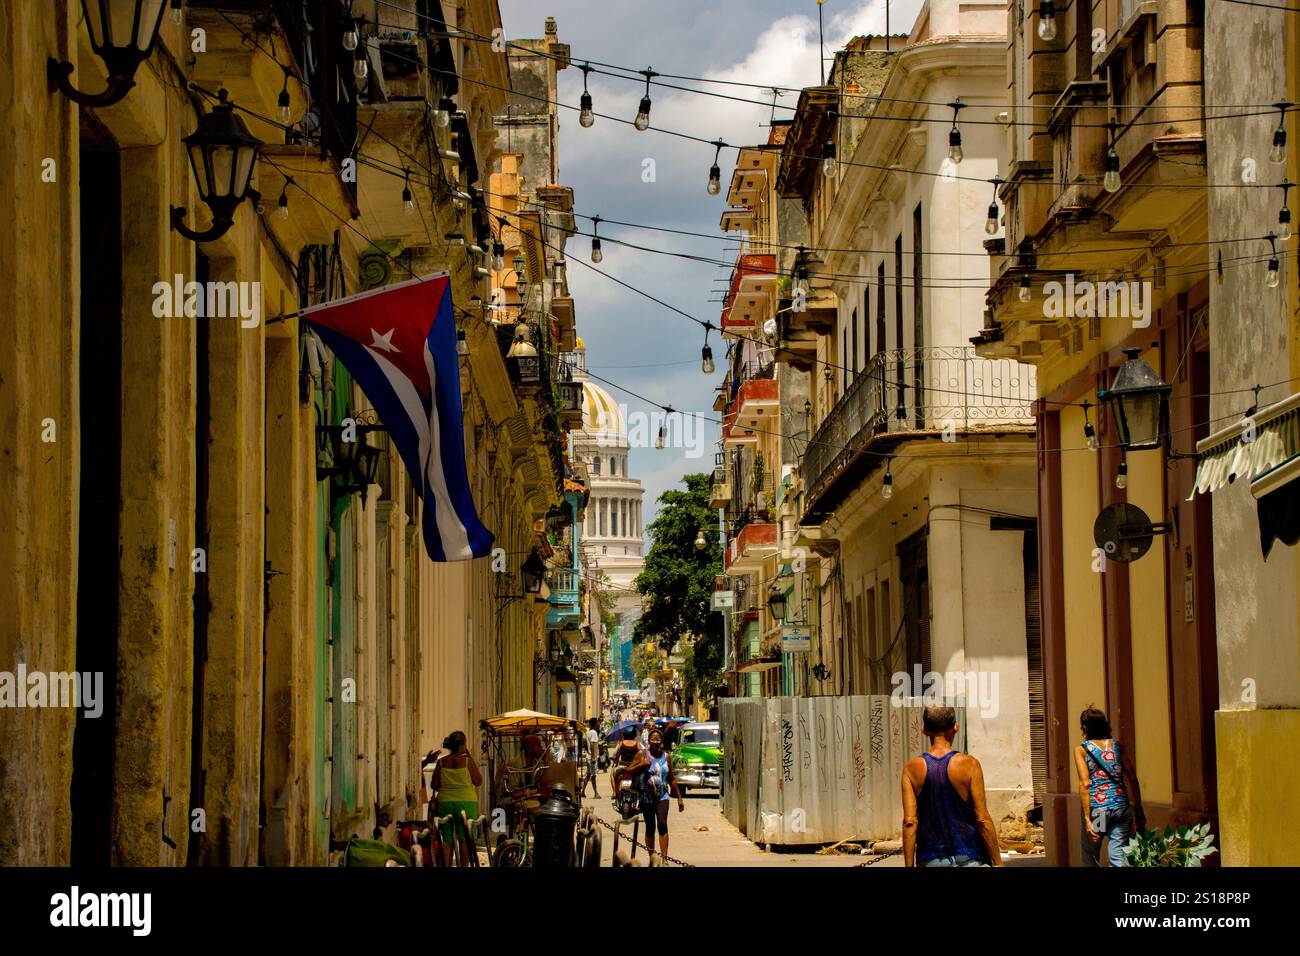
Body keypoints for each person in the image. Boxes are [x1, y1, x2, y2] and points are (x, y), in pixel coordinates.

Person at [901, 705, 1001, 867]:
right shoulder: (970, 765)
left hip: (930, 859)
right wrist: (998, 863)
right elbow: (982, 819)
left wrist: (908, 866)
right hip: (969, 856)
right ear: (956, 727)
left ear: (924, 729)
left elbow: (909, 822)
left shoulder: (911, 769)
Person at [1074, 705, 1145, 868]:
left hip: (1100, 812)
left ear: (1085, 728)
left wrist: (1087, 818)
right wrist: (1138, 809)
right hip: (1121, 809)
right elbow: (1133, 778)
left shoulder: (1082, 750)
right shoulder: (1117, 746)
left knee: (1091, 854)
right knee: (1118, 856)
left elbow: (1085, 784)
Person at [430, 731, 483, 866]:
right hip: (466, 803)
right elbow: (478, 781)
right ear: (461, 745)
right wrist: (469, 756)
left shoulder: (442, 762)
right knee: (464, 840)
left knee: (447, 840)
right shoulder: (467, 761)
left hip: (445, 804)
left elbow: (434, 785)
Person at [640, 729, 685, 865]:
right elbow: (632, 768)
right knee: (650, 827)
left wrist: (679, 797)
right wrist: (642, 764)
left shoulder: (667, 756)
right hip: (646, 797)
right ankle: (652, 856)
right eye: (652, 739)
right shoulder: (643, 755)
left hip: (663, 796)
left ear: (661, 741)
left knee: (662, 824)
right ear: (648, 741)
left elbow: (671, 778)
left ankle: (665, 858)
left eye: (657, 739)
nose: (655, 741)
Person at [610, 725, 646, 799]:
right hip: (634, 767)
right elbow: (641, 753)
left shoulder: (622, 743)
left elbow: (617, 756)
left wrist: (615, 763)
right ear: (634, 735)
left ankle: (614, 792)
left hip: (622, 766)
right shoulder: (637, 744)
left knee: (612, 774)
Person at [584, 718, 601, 796]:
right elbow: (591, 744)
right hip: (592, 757)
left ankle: (582, 791)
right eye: (597, 722)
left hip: (589, 756)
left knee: (588, 774)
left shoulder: (588, 732)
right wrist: (593, 757)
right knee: (593, 776)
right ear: (594, 724)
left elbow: (585, 743)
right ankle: (596, 793)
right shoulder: (594, 732)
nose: (599, 724)